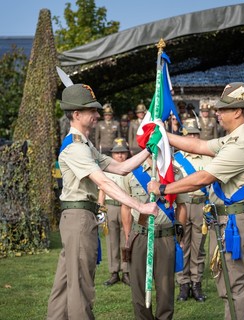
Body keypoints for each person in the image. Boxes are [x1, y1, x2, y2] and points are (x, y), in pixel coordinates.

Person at [148, 81, 244, 320]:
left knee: (233, 285)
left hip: (235, 222)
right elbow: (200, 145)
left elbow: (203, 177)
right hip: (237, 218)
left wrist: (163, 188)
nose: (217, 112)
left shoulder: (241, 143)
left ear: (237, 111)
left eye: (222, 109)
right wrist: (165, 136)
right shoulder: (238, 136)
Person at [46, 83, 158, 320]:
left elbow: (120, 168)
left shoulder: (85, 145)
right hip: (78, 218)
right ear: (76, 115)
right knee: (81, 287)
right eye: (91, 111)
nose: (97, 115)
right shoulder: (76, 148)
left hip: (78, 217)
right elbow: (105, 183)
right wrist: (140, 206)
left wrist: (148, 150)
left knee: (65, 284)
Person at [121, 155, 188, 320]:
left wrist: (180, 237)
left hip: (165, 236)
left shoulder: (175, 173)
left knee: (165, 289)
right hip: (140, 235)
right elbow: (126, 207)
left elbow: (181, 205)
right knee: (138, 288)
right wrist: (128, 236)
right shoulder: (132, 171)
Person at [173, 119, 213, 302]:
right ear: (184, 137)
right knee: (181, 246)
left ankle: (196, 284)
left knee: (198, 248)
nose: (193, 137)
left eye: (196, 134)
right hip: (181, 206)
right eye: (189, 134)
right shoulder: (176, 158)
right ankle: (183, 284)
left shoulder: (208, 158)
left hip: (199, 205)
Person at [98, 138, 131, 287]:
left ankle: (126, 271)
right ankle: (114, 272)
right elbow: (102, 190)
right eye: (117, 153)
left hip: (126, 207)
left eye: (123, 152)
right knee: (111, 241)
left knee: (126, 240)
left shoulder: (130, 169)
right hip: (111, 207)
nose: (120, 156)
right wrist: (100, 207)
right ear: (112, 155)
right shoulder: (106, 169)